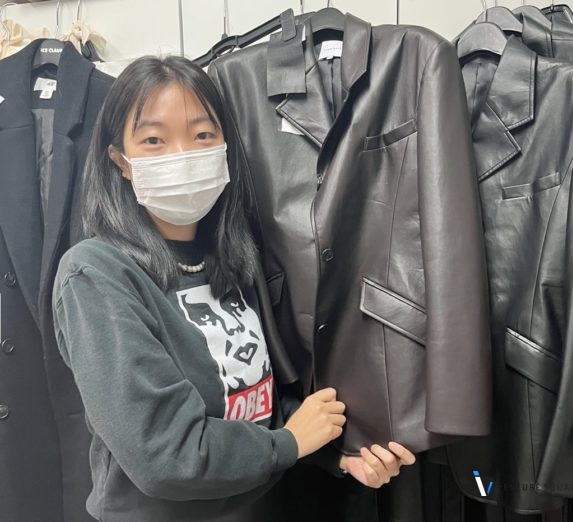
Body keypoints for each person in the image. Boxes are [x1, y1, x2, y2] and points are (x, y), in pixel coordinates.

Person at [52, 55, 415, 522]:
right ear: (121, 162)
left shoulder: (231, 255)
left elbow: (257, 400)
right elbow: (164, 455)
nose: (182, 155)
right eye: (154, 140)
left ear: (225, 146)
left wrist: (338, 453)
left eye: (202, 135)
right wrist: (289, 443)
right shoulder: (96, 275)